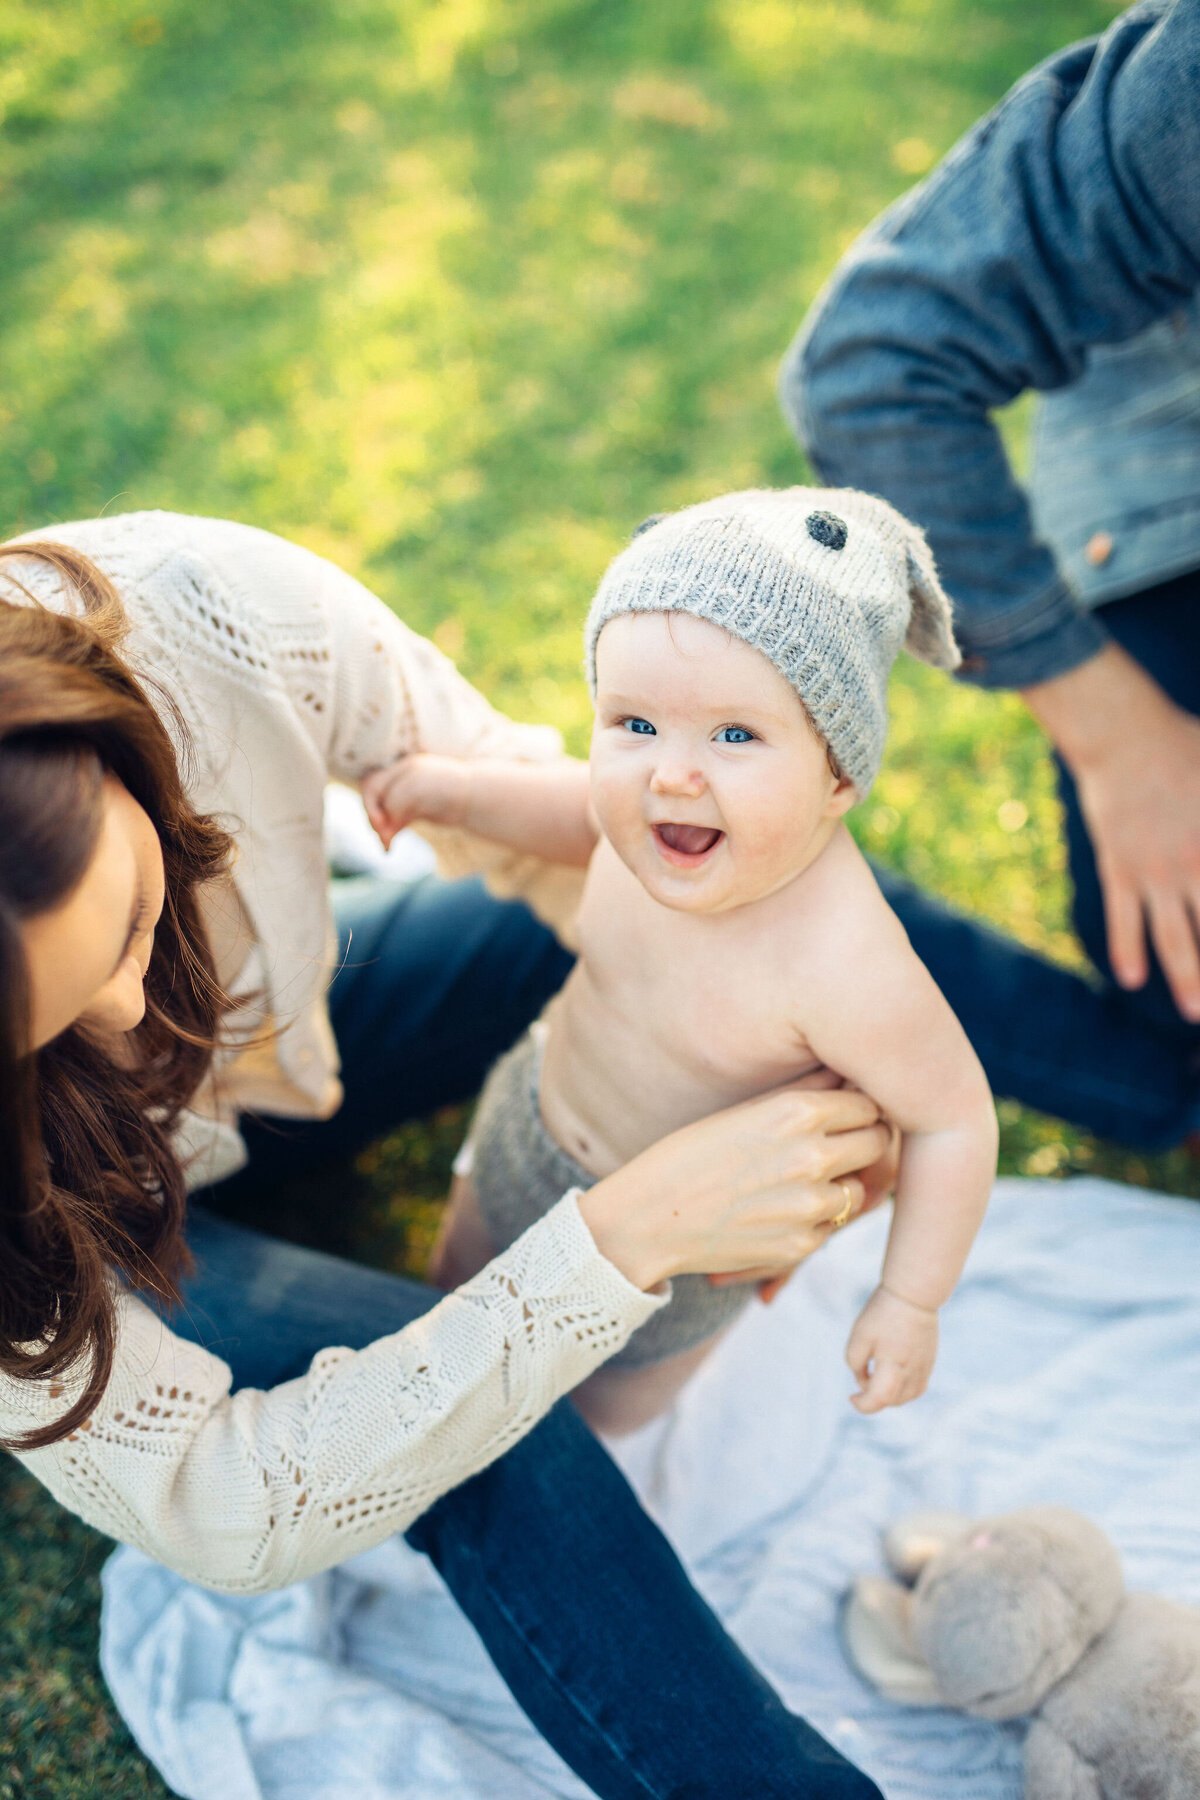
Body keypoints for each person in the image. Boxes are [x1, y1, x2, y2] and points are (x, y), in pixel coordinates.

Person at [0, 510, 894, 1800]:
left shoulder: (208, 614)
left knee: (750, 865)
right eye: (43, 1029)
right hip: (86, 1230)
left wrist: (794, 1034)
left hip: (284, 1041)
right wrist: (628, 1235)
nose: (133, 1022)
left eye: (135, 923)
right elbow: (223, 1501)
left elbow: (585, 828)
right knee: (497, 1423)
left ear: (103, 749)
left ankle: (1142, 1057)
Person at [365, 487, 999, 1435]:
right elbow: (568, 808)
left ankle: (579, 1464)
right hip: (526, 1139)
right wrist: (455, 794)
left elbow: (954, 1121)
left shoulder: (843, 959)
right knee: (455, 1317)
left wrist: (909, 1300)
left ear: (839, 777)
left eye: (736, 735)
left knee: (606, 1414)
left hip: (691, 1251)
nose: (671, 772)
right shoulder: (646, 823)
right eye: (635, 724)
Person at [778, 0, 1200, 1152]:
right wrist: (1124, 741)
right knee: (1184, 1016)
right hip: (1174, 518)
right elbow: (874, 364)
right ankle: (808, 932)